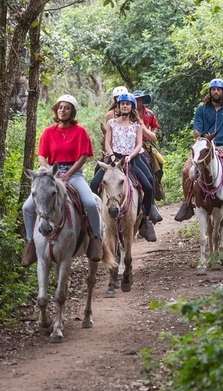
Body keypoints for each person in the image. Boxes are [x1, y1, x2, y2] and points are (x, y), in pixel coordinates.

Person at [21, 94, 104, 266]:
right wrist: (50, 172)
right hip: (50, 175)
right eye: (60, 107)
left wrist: (68, 173)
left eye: (66, 108)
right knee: (27, 207)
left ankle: (96, 239)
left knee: (89, 202)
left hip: (73, 174)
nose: (62, 110)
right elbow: (42, 156)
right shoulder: (49, 132)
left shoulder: (80, 131)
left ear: (72, 111)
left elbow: (83, 156)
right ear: (56, 110)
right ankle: (30, 242)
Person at [90, 93, 161, 242]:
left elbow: (139, 144)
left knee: (148, 185)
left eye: (127, 104)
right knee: (94, 183)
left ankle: (146, 219)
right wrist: (112, 156)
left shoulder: (137, 125)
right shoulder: (112, 123)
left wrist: (130, 156)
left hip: (131, 158)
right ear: (118, 106)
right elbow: (108, 142)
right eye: (122, 104)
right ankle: (95, 216)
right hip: (113, 158)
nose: (125, 106)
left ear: (132, 106)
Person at [174, 78, 223, 224]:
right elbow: (197, 128)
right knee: (186, 171)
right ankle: (187, 204)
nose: (216, 92)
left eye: (219, 89)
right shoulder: (201, 109)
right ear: (210, 92)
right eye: (213, 89)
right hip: (204, 147)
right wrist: (199, 136)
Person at [132, 90, 166, 201]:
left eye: (139, 100)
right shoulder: (130, 114)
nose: (137, 102)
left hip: (146, 142)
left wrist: (153, 133)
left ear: (143, 101)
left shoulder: (149, 113)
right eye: (135, 100)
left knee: (159, 161)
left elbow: (155, 125)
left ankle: (157, 186)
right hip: (132, 143)